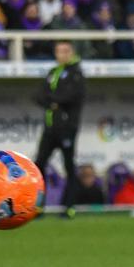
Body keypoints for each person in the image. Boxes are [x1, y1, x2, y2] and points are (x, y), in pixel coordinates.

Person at [34, 41, 86, 218]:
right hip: (49, 128)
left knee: (69, 167)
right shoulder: (52, 73)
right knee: (39, 165)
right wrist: (53, 101)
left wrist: (54, 100)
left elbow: (69, 97)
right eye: (57, 51)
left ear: (71, 52)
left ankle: (69, 207)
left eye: (64, 51)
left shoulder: (76, 74)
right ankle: (38, 207)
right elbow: (40, 96)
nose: (60, 55)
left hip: (67, 128)